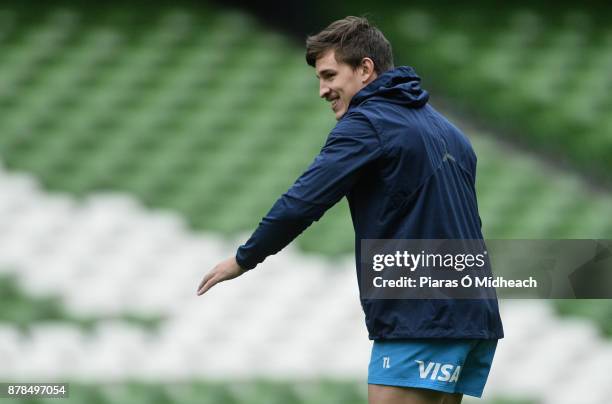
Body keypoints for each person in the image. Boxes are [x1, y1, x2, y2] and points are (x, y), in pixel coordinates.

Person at [197, 16, 503, 404]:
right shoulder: (448, 131)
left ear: (365, 69)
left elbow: (303, 202)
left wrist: (245, 258)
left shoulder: (368, 123)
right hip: (472, 313)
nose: (323, 90)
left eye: (329, 75)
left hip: (423, 313)